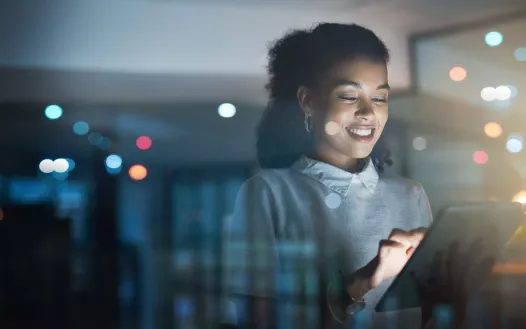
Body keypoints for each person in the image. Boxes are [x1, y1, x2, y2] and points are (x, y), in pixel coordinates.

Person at [224, 23, 474, 329]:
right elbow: (258, 322)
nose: (368, 112)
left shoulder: (410, 195)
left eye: (380, 98)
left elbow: (428, 318)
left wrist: (455, 292)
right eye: (348, 96)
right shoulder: (267, 193)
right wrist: (366, 280)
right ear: (308, 102)